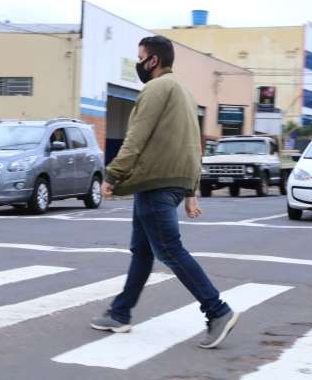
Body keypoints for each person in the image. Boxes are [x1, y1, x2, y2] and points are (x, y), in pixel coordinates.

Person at [90, 36, 238, 349]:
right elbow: (192, 143)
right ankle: (120, 313)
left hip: (156, 182)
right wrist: (190, 188)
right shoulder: (183, 90)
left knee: (169, 250)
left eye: (140, 57)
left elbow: (136, 137)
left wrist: (113, 174)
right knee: (142, 251)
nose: (138, 64)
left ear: (153, 60)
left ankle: (217, 311)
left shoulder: (155, 89)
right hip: (168, 182)